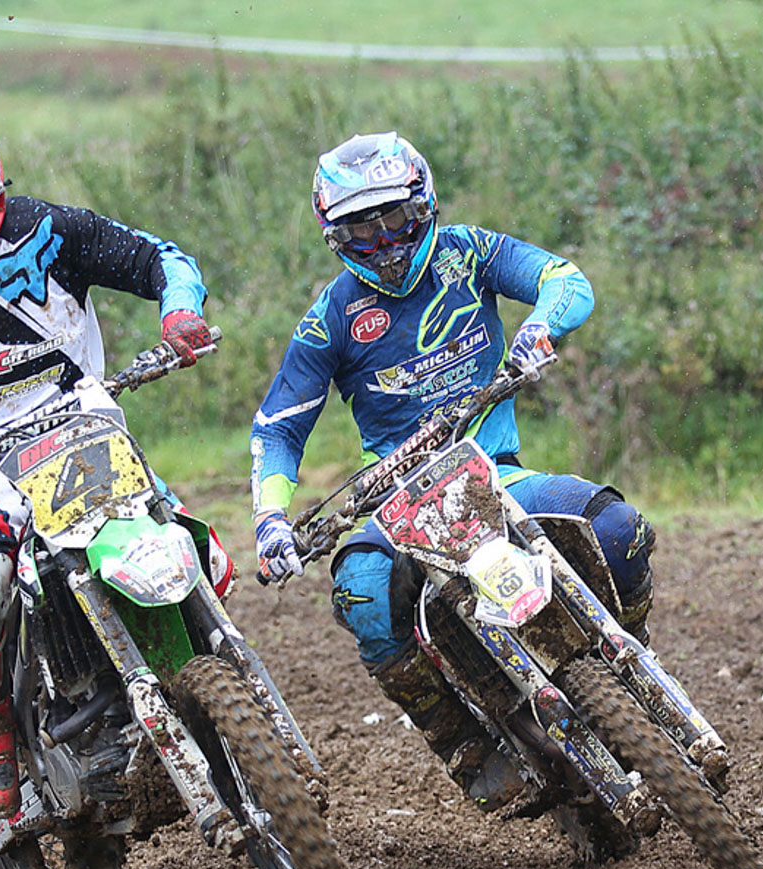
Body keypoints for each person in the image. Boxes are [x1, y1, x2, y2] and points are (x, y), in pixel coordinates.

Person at [0, 89, 229, 820]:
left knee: (199, 549)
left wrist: (179, 311)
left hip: (84, 429)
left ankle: (204, 669)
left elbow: (159, 258)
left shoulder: (50, 229)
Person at [249, 131, 656, 813]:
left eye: (395, 219)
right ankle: (460, 741)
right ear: (334, 236)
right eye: (362, 230)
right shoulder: (330, 320)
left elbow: (564, 278)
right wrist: (269, 519)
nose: (384, 242)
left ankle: (634, 650)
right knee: (362, 595)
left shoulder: (469, 252)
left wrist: (541, 329)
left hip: (497, 472)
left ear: (424, 204)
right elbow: (277, 427)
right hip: (397, 500)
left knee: (618, 529)